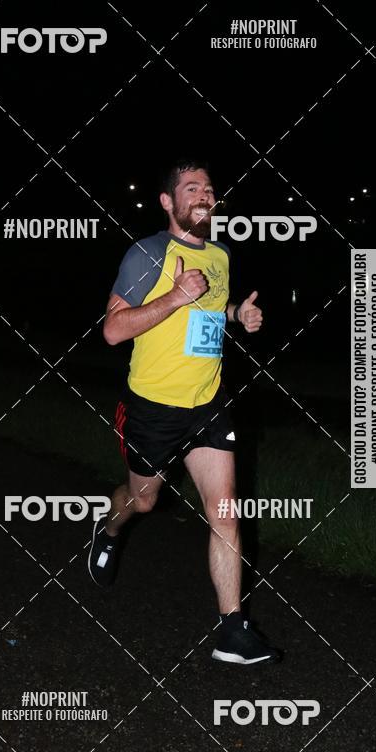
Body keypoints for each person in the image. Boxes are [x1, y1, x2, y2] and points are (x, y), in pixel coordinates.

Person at [89, 159, 281, 666]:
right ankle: (108, 529)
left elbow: (210, 310)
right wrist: (175, 296)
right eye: (190, 188)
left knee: (226, 512)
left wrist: (238, 314)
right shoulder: (147, 254)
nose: (203, 195)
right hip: (151, 410)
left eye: (209, 188)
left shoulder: (219, 255)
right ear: (168, 203)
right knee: (142, 501)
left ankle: (231, 631)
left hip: (208, 404)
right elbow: (112, 330)